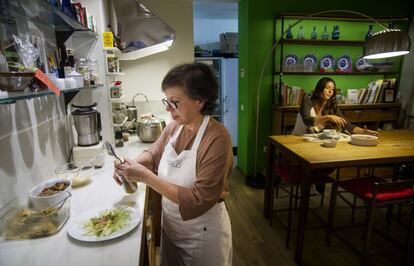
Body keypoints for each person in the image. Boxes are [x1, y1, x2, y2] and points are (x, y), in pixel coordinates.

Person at [113, 62, 233, 266]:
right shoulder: (174, 128)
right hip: (171, 228)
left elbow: (198, 199)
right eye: (166, 101)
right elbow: (153, 154)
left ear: (200, 101)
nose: (168, 108)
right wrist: (131, 164)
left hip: (201, 236)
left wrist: (145, 176)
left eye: (175, 102)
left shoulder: (217, 138)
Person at [292, 77, 380, 136]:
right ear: (320, 88)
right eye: (327, 88)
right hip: (298, 138)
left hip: (313, 141)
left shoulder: (331, 106)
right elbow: (307, 120)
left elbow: (346, 125)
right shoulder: (308, 101)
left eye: (333, 89)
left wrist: (363, 132)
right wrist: (327, 117)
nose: (330, 91)